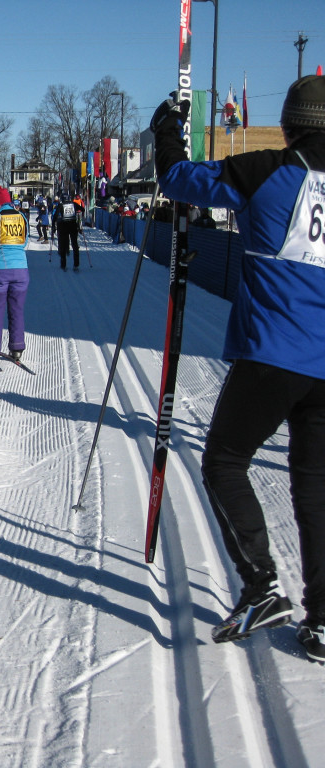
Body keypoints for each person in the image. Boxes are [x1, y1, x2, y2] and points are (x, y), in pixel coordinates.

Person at [151, 76, 325, 658]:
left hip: (275, 351)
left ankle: (262, 585)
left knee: (224, 460)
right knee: (315, 486)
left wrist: (167, 131)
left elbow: (181, 181)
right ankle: (321, 619)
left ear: (291, 121)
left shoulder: (269, 170)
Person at [0, 187, 29, 360]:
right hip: (21, 269)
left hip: (0, 268)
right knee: (17, 309)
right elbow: (24, 241)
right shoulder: (22, 217)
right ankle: (17, 347)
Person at [55, 192, 83, 271]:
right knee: (75, 244)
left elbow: (55, 215)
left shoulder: (61, 205)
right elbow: (82, 209)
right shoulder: (73, 204)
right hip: (73, 225)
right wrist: (77, 213)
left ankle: (63, 264)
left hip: (64, 226)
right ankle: (76, 264)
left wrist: (54, 225)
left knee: (63, 244)